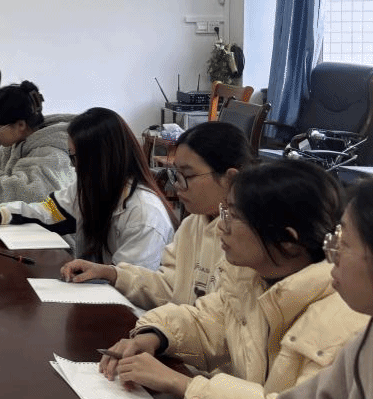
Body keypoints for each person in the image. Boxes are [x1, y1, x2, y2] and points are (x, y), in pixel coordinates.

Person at [98, 158, 366, 399]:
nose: (220, 227)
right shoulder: (251, 279)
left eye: (234, 216)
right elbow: (207, 323)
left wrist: (183, 385)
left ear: (287, 241)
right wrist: (154, 335)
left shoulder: (345, 321)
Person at [166, 179, 373, 399]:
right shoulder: (364, 347)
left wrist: (183, 385)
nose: (332, 254)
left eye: (343, 242)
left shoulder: (347, 324)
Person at [61, 121, 255, 306]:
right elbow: (169, 287)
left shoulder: (249, 242)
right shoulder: (192, 224)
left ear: (229, 178)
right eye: (176, 174)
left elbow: (216, 317)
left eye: (187, 175)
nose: (177, 185)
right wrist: (111, 273)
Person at [0, 107, 177, 269]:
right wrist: (2, 214)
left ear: (102, 158)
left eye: (75, 157)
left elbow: (129, 282)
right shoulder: (91, 189)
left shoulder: (145, 215)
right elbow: (51, 211)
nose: (73, 166)